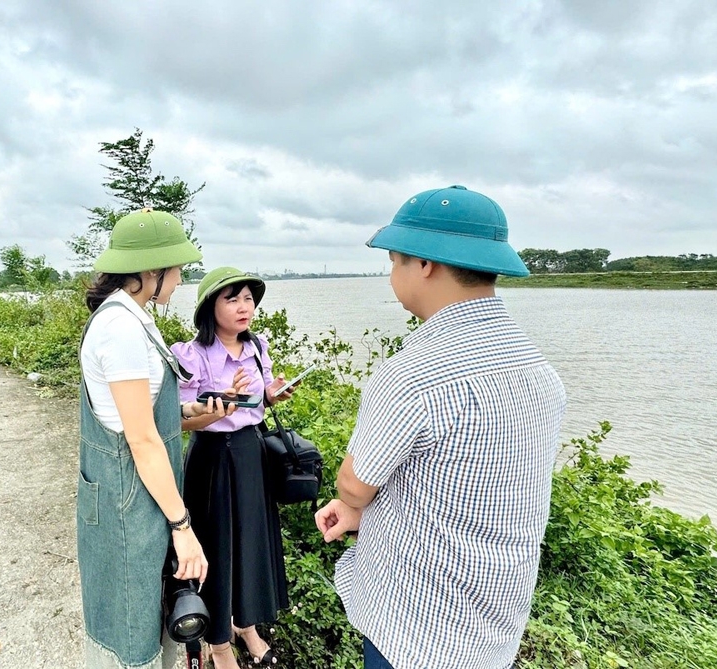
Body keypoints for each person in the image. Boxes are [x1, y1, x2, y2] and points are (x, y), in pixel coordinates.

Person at [315, 185, 567, 669]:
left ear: (424, 264)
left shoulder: (414, 374)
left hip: (415, 625)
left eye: (394, 261)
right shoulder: (539, 371)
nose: (393, 274)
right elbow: (473, 485)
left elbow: (354, 483)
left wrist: (351, 505)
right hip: (494, 626)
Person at [78, 208, 232, 669]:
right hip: (131, 499)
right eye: (178, 268)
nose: (182, 279)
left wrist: (191, 412)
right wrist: (184, 529)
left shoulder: (133, 317)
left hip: (139, 494)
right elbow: (142, 441)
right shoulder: (121, 328)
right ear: (151, 272)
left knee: (146, 609)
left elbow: (138, 417)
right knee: (130, 625)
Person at [170, 267, 298, 668]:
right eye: (234, 299)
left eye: (249, 299)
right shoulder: (190, 354)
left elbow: (256, 405)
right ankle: (219, 642)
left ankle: (247, 626)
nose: (246, 307)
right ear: (210, 307)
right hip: (212, 458)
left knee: (249, 542)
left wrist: (272, 395)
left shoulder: (257, 346)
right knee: (217, 545)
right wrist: (220, 405)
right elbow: (180, 421)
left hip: (250, 452)